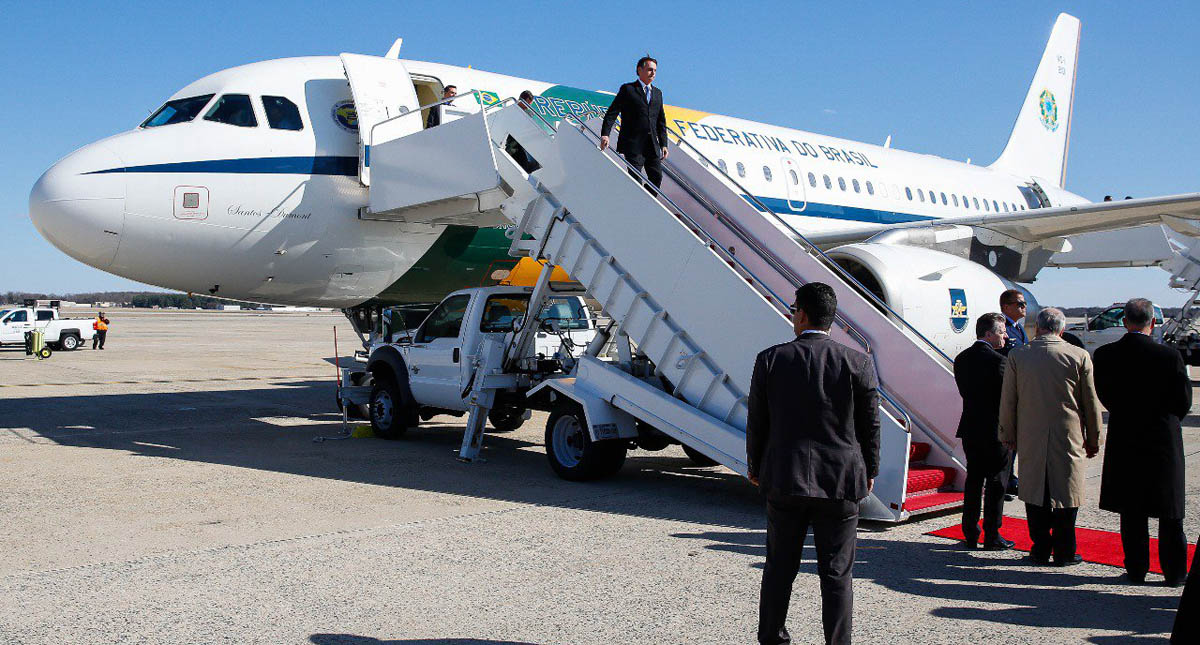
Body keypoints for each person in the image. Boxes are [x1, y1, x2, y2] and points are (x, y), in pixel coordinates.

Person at [748, 282, 880, 645]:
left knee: (779, 567)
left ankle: (772, 637)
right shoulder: (857, 361)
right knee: (837, 573)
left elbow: (758, 421)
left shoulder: (771, 359)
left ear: (802, 314)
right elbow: (869, 424)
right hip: (840, 481)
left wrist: (756, 467)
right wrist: (870, 470)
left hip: (785, 477)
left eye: (794, 310)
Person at [1094, 298, 1192, 586]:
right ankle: (1174, 572)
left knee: (1132, 508)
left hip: (1126, 435)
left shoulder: (1105, 355)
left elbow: (1105, 395)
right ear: (1152, 322)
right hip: (1162, 438)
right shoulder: (1169, 356)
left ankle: (1136, 569)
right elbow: (1183, 401)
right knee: (1169, 510)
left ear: (1124, 322)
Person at [999, 307, 1103, 566]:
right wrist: (1094, 438)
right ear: (1062, 329)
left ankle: (1040, 548)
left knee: (1035, 492)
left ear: (1038, 328)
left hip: (1031, 435)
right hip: (1068, 435)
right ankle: (1065, 551)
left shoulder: (1018, 355)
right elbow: (1090, 402)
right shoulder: (1078, 355)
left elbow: (1008, 400)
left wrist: (1007, 433)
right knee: (1067, 492)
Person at [953, 313, 1014, 550]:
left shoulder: (962, 359)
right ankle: (992, 533)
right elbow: (1006, 399)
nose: (1005, 336)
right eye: (1001, 332)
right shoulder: (999, 362)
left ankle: (969, 531)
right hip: (994, 430)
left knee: (974, 480)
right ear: (988, 334)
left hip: (970, 428)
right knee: (997, 481)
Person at [599, 55, 668, 189]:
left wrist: (664, 144)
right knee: (635, 178)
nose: (653, 73)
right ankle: (639, 203)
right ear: (639, 70)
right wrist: (605, 134)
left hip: (652, 145)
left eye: (655, 70)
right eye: (649, 70)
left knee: (657, 177)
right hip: (633, 144)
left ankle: (646, 200)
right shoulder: (628, 89)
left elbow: (660, 121)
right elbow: (612, 112)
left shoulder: (658, 93)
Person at [504, 91, 541, 173]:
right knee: (528, 164)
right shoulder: (517, 111)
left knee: (534, 163)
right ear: (528, 100)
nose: (529, 106)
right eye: (530, 103)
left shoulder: (513, 109)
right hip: (514, 144)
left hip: (521, 143)